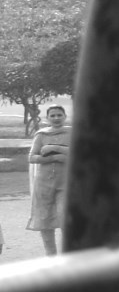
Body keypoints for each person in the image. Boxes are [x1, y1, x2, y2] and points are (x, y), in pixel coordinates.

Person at [26, 104, 69, 253]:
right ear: (47, 118)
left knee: (66, 218)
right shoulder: (41, 134)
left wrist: (54, 149)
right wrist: (54, 159)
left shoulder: (73, 133)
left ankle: (68, 255)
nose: (56, 118)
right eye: (53, 115)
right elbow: (32, 157)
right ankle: (51, 255)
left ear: (65, 116)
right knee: (44, 219)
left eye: (59, 115)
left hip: (66, 184)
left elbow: (80, 153)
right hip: (44, 183)